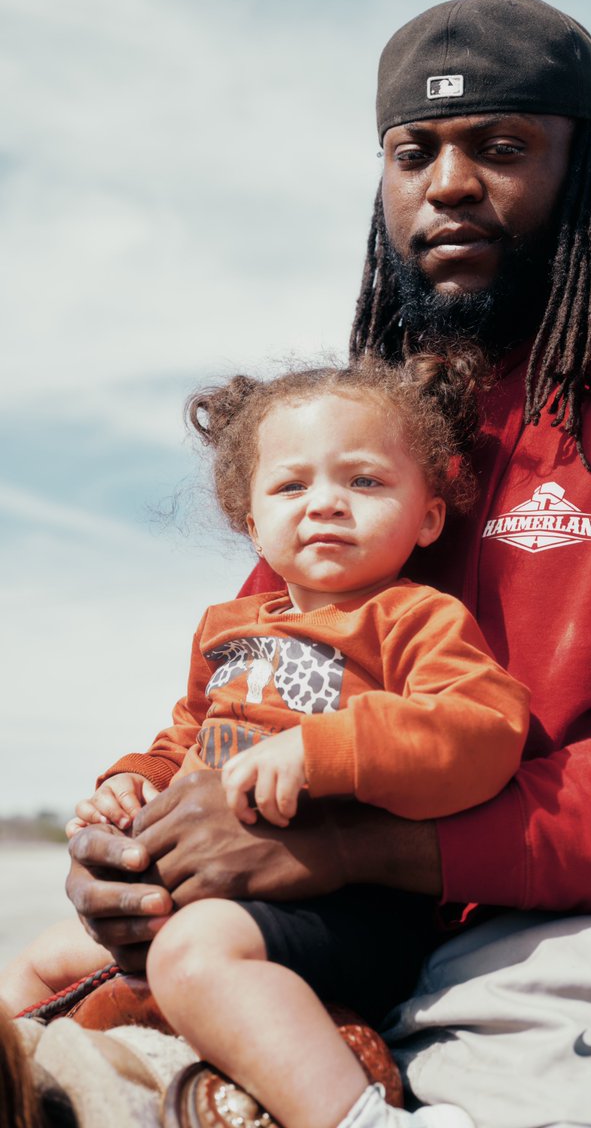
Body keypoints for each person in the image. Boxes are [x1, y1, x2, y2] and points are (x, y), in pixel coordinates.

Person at [62, 0, 591, 1128]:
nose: (448, 184)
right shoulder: (383, 429)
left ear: (587, 167)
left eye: (503, 147)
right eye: (413, 151)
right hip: (343, 927)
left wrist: (363, 845)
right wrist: (143, 838)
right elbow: (264, 672)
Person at [2, 354, 530, 1128]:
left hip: (348, 908)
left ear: (428, 516)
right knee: (43, 958)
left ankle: (360, 1119)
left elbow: (483, 727)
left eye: (365, 482)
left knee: (194, 958)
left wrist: (323, 752)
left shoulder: (414, 619)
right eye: (292, 486)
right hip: (206, 896)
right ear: (252, 522)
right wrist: (133, 781)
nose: (326, 505)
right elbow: (188, 732)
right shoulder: (229, 628)